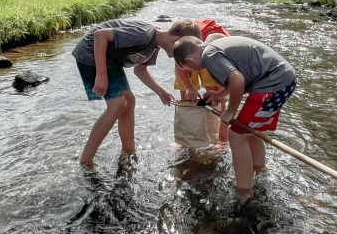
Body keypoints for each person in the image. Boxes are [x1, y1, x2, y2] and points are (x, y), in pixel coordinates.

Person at [173, 35, 296, 198]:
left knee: (236, 135)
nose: (195, 71)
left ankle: (244, 192)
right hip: (281, 79)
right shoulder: (211, 47)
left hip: (273, 84)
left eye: (191, 70)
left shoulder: (209, 56)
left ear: (189, 61)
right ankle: (258, 172)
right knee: (248, 131)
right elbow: (236, 78)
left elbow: (238, 80)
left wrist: (230, 111)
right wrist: (220, 93)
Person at [72, 18, 200, 169]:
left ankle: (128, 150)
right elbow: (101, 35)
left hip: (111, 61)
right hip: (91, 55)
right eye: (183, 50)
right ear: (177, 41)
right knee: (117, 106)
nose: (179, 58)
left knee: (129, 102)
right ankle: (86, 159)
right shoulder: (143, 35)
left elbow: (140, 70)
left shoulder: (155, 45)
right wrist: (101, 74)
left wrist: (160, 91)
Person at [173, 18, 230, 143]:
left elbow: (229, 76)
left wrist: (221, 92)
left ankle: (221, 140)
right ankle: (186, 139)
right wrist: (189, 88)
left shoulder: (220, 43)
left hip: (214, 59)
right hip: (191, 56)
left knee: (218, 101)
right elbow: (180, 67)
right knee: (187, 98)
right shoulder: (182, 45)